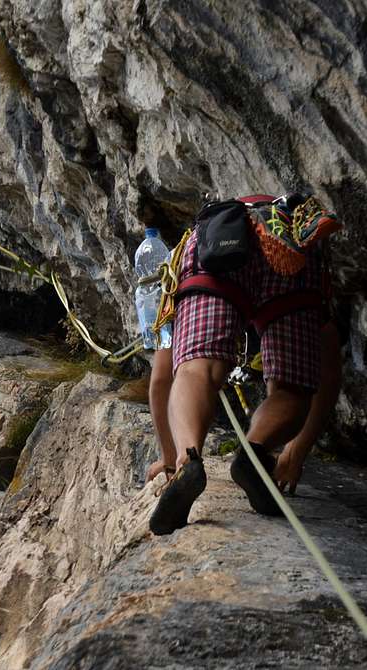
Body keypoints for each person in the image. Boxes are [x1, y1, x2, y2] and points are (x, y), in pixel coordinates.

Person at [149, 194, 339, 535]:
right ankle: (255, 450)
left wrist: (168, 455)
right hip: (291, 247)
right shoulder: (298, 238)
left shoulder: (195, 244)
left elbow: (163, 375)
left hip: (220, 241)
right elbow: (328, 372)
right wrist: (296, 451)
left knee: (197, 369)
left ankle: (187, 461)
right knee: (291, 389)